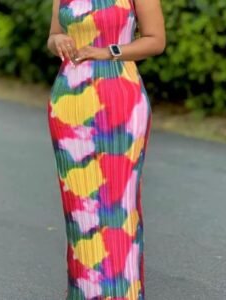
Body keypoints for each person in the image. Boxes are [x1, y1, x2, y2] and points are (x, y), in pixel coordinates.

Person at [46, 0, 165, 298]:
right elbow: (53, 36)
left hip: (119, 99)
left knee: (118, 209)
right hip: (70, 102)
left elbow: (156, 41)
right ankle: (84, 293)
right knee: (79, 211)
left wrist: (107, 51)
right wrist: (57, 40)